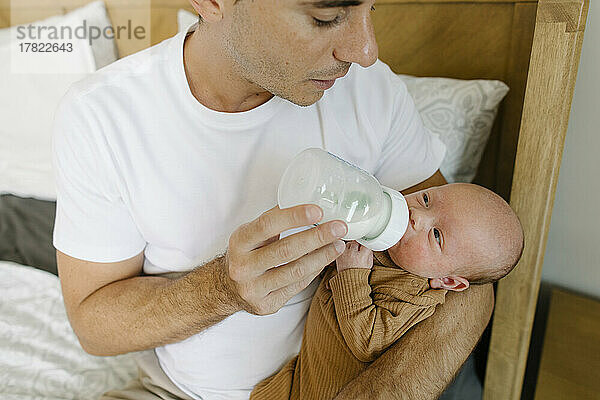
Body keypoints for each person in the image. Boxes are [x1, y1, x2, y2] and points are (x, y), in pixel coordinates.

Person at [52, 0, 494, 399]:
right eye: (326, 17)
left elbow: (470, 277)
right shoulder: (102, 116)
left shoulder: (371, 89)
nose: (365, 50)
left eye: (371, 9)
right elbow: (93, 324)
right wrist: (222, 289)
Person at [251, 183, 524, 400]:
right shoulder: (388, 241)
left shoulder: (414, 295)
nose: (418, 216)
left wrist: (351, 275)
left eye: (436, 235)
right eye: (427, 199)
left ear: (448, 281)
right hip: (297, 378)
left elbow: (369, 341)